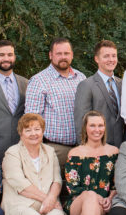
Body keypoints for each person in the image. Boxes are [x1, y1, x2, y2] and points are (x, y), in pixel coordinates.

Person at [63, 111, 120, 215]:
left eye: (100, 125)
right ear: (85, 129)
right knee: (89, 196)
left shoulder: (113, 152)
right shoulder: (75, 153)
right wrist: (95, 196)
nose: (97, 129)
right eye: (92, 125)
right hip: (76, 204)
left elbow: (118, 183)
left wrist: (110, 198)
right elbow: (73, 188)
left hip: (103, 207)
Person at [25, 38, 86, 166]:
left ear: (72, 55)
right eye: (59, 54)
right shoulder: (39, 81)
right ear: (50, 55)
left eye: (66, 53)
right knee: (54, 184)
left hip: (82, 147)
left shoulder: (81, 78)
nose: (63, 57)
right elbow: (31, 120)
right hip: (54, 149)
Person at [72, 40, 125, 147]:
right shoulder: (86, 85)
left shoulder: (123, 84)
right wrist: (85, 149)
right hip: (97, 147)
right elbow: (81, 121)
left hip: (122, 147)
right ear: (97, 59)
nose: (111, 60)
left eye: (114, 56)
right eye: (106, 56)